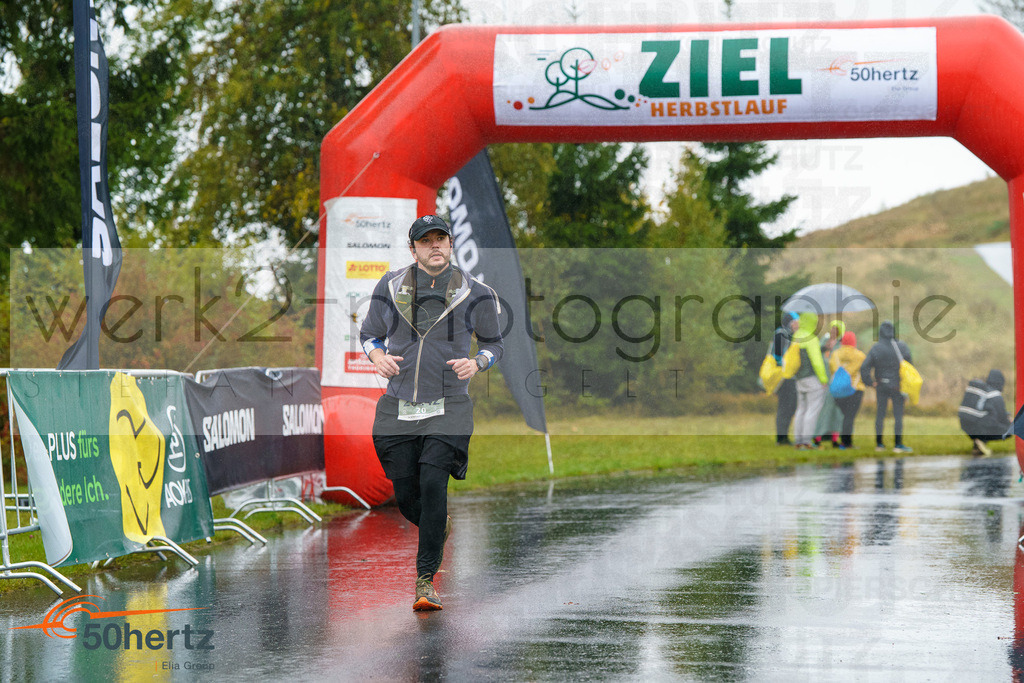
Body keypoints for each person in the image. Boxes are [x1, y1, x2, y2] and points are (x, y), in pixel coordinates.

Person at [359, 214, 504, 611]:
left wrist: (478, 364)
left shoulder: (475, 292)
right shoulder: (389, 287)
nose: (435, 245)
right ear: (414, 249)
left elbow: (494, 343)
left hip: (450, 405)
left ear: (451, 244)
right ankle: (437, 525)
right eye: (426, 241)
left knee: (433, 484)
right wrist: (377, 356)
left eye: (441, 238)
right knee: (406, 496)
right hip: (399, 404)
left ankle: (425, 582)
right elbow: (369, 333)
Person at [860, 320, 913, 453]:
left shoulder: (876, 348)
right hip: (898, 386)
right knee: (898, 415)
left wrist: (870, 382)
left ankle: (879, 444)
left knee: (880, 415)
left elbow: (864, 367)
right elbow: (910, 366)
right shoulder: (902, 347)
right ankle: (898, 445)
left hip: (881, 385)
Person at [783, 311, 829, 450]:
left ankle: (798, 441)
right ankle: (807, 442)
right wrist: (823, 379)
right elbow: (817, 362)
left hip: (799, 379)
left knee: (801, 409)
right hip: (811, 379)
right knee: (812, 410)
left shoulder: (796, 336)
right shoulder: (811, 338)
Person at [958, 369, 1011, 455]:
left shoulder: (982, 390)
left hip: (965, 424)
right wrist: (1010, 422)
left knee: (987, 421)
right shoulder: (995, 394)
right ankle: (980, 441)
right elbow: (1002, 416)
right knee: (1008, 430)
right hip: (979, 426)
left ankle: (977, 446)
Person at [830, 331, 866, 449]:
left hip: (838, 391)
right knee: (849, 417)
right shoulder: (860, 355)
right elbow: (864, 370)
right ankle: (846, 443)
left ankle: (843, 441)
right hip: (854, 390)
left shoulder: (835, 354)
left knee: (845, 416)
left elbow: (832, 369)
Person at [772, 311, 799, 445]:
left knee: (790, 406)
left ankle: (784, 437)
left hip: (790, 377)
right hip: (783, 377)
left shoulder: (791, 336)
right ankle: (781, 438)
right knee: (784, 407)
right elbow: (777, 356)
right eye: (795, 322)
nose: (797, 325)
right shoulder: (781, 334)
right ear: (790, 322)